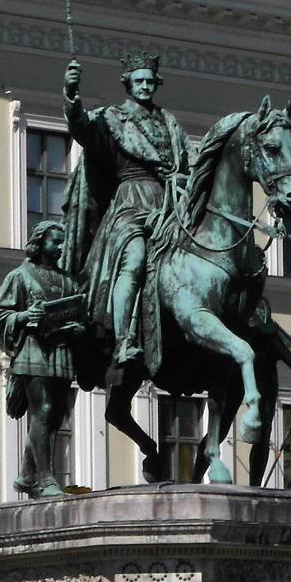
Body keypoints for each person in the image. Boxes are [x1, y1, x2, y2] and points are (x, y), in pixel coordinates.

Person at [61, 51, 191, 374]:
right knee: (133, 261)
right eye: (139, 81)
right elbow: (82, 130)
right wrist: (71, 95)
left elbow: (190, 158)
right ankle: (124, 340)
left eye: (150, 81)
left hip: (169, 203)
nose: (145, 86)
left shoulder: (170, 123)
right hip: (130, 203)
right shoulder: (111, 118)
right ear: (128, 84)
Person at [0, 220, 83, 497]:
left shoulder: (68, 279)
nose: (61, 247)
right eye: (56, 241)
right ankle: (45, 478)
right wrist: (22, 317)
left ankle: (26, 475)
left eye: (63, 241)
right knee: (41, 410)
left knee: (56, 416)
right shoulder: (20, 276)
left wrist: (80, 327)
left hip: (61, 349)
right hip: (33, 349)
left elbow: (78, 313)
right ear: (40, 242)